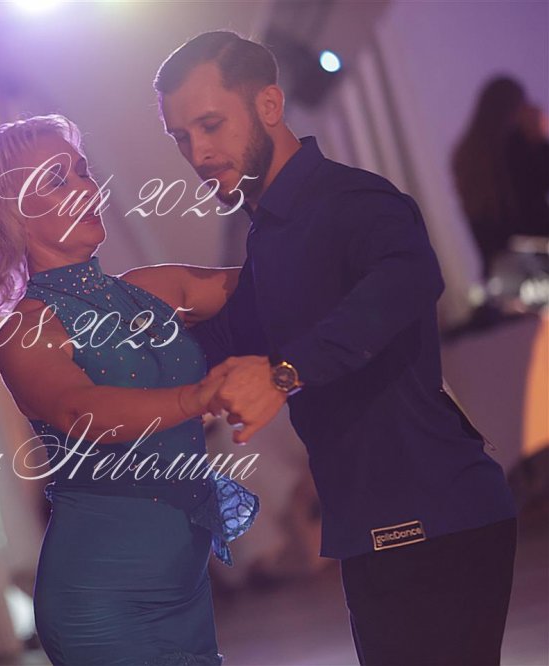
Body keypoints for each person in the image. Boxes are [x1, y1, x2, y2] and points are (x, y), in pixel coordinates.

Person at [154, 31, 518, 665]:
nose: (198, 153)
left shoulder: (351, 200)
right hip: (374, 528)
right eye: (181, 137)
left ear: (269, 105)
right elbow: (232, 340)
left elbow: (408, 281)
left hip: (434, 516)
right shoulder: (269, 234)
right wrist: (109, 328)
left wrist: (283, 374)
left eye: (210, 125)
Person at [0, 114, 259, 664]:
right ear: (12, 213)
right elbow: (82, 411)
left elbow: (270, 279)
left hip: (185, 590)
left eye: (81, 171)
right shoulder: (26, 331)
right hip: (101, 602)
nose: (84, 187)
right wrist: (196, 398)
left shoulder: (152, 289)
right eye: (56, 179)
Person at [452, 76, 549, 280]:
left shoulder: (468, 156)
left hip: (501, 272)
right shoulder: (517, 147)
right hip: (536, 265)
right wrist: (540, 138)